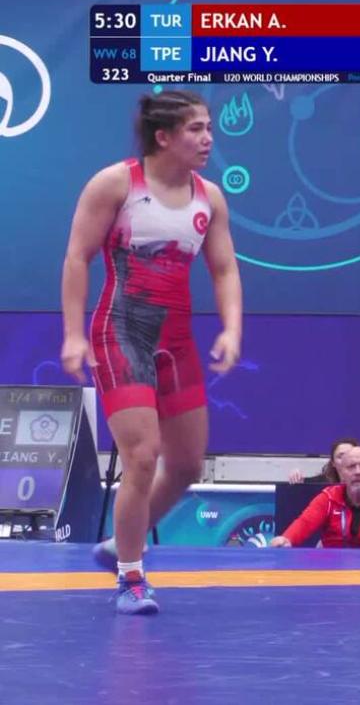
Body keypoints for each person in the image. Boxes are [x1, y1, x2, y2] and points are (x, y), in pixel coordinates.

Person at [61, 90, 242, 615]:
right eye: (196, 129)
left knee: (185, 466)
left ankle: (123, 542)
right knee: (142, 456)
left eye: (209, 128)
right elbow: (77, 257)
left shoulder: (210, 197)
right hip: (122, 332)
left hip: (176, 340)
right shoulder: (116, 184)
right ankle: (131, 577)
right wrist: (73, 334)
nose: (208, 139)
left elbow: (224, 269)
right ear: (163, 137)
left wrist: (232, 329)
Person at [271, 446, 360, 549]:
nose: (358, 472)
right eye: (351, 467)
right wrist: (287, 538)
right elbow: (305, 522)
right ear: (341, 473)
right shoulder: (327, 497)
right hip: (333, 571)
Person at [288, 436, 359, 485]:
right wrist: (296, 478)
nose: (346, 460)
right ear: (333, 463)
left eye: (350, 455)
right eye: (341, 456)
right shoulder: (319, 484)